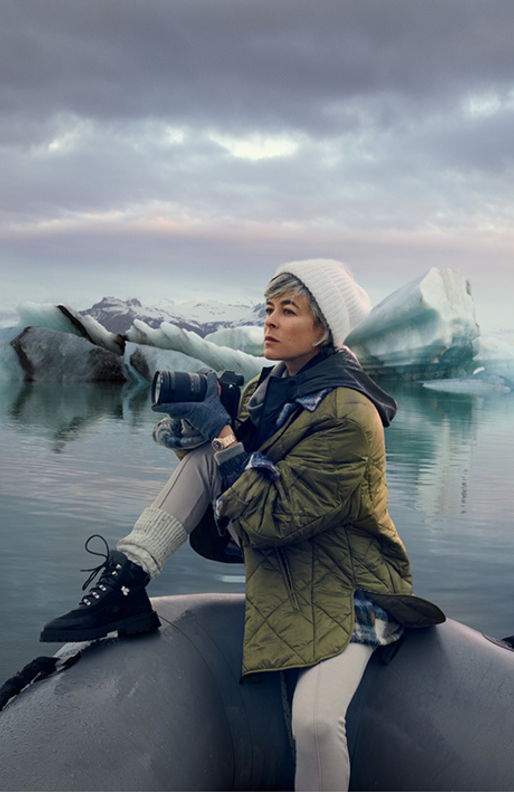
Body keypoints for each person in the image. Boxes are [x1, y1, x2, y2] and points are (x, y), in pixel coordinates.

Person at [41, 259, 445, 791]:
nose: (270, 322)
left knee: (317, 723)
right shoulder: (271, 385)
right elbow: (210, 456)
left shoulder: (350, 412)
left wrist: (225, 436)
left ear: (324, 329)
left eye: (289, 311)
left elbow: (278, 517)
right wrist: (198, 421)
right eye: (270, 308)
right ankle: (128, 577)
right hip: (280, 546)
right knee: (206, 454)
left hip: (347, 578)